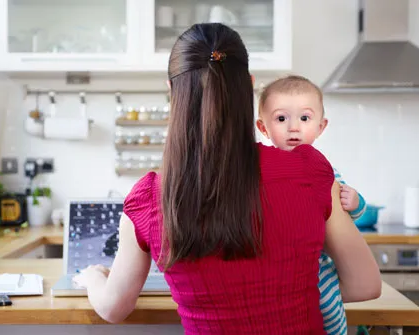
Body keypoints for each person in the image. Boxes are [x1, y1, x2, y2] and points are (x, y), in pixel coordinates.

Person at [73, 23, 381, 334]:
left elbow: (114, 308)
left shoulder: (148, 197)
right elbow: (365, 284)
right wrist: (286, 295)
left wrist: (93, 278)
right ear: (248, 85)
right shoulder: (309, 170)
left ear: (172, 91)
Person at [256, 75, 367, 335]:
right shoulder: (259, 170)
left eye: (304, 118)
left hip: (320, 267)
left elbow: (355, 214)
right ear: (263, 127)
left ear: (320, 126)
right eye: (281, 118)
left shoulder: (324, 170)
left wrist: (355, 202)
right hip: (275, 268)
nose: (293, 128)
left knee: (329, 309)